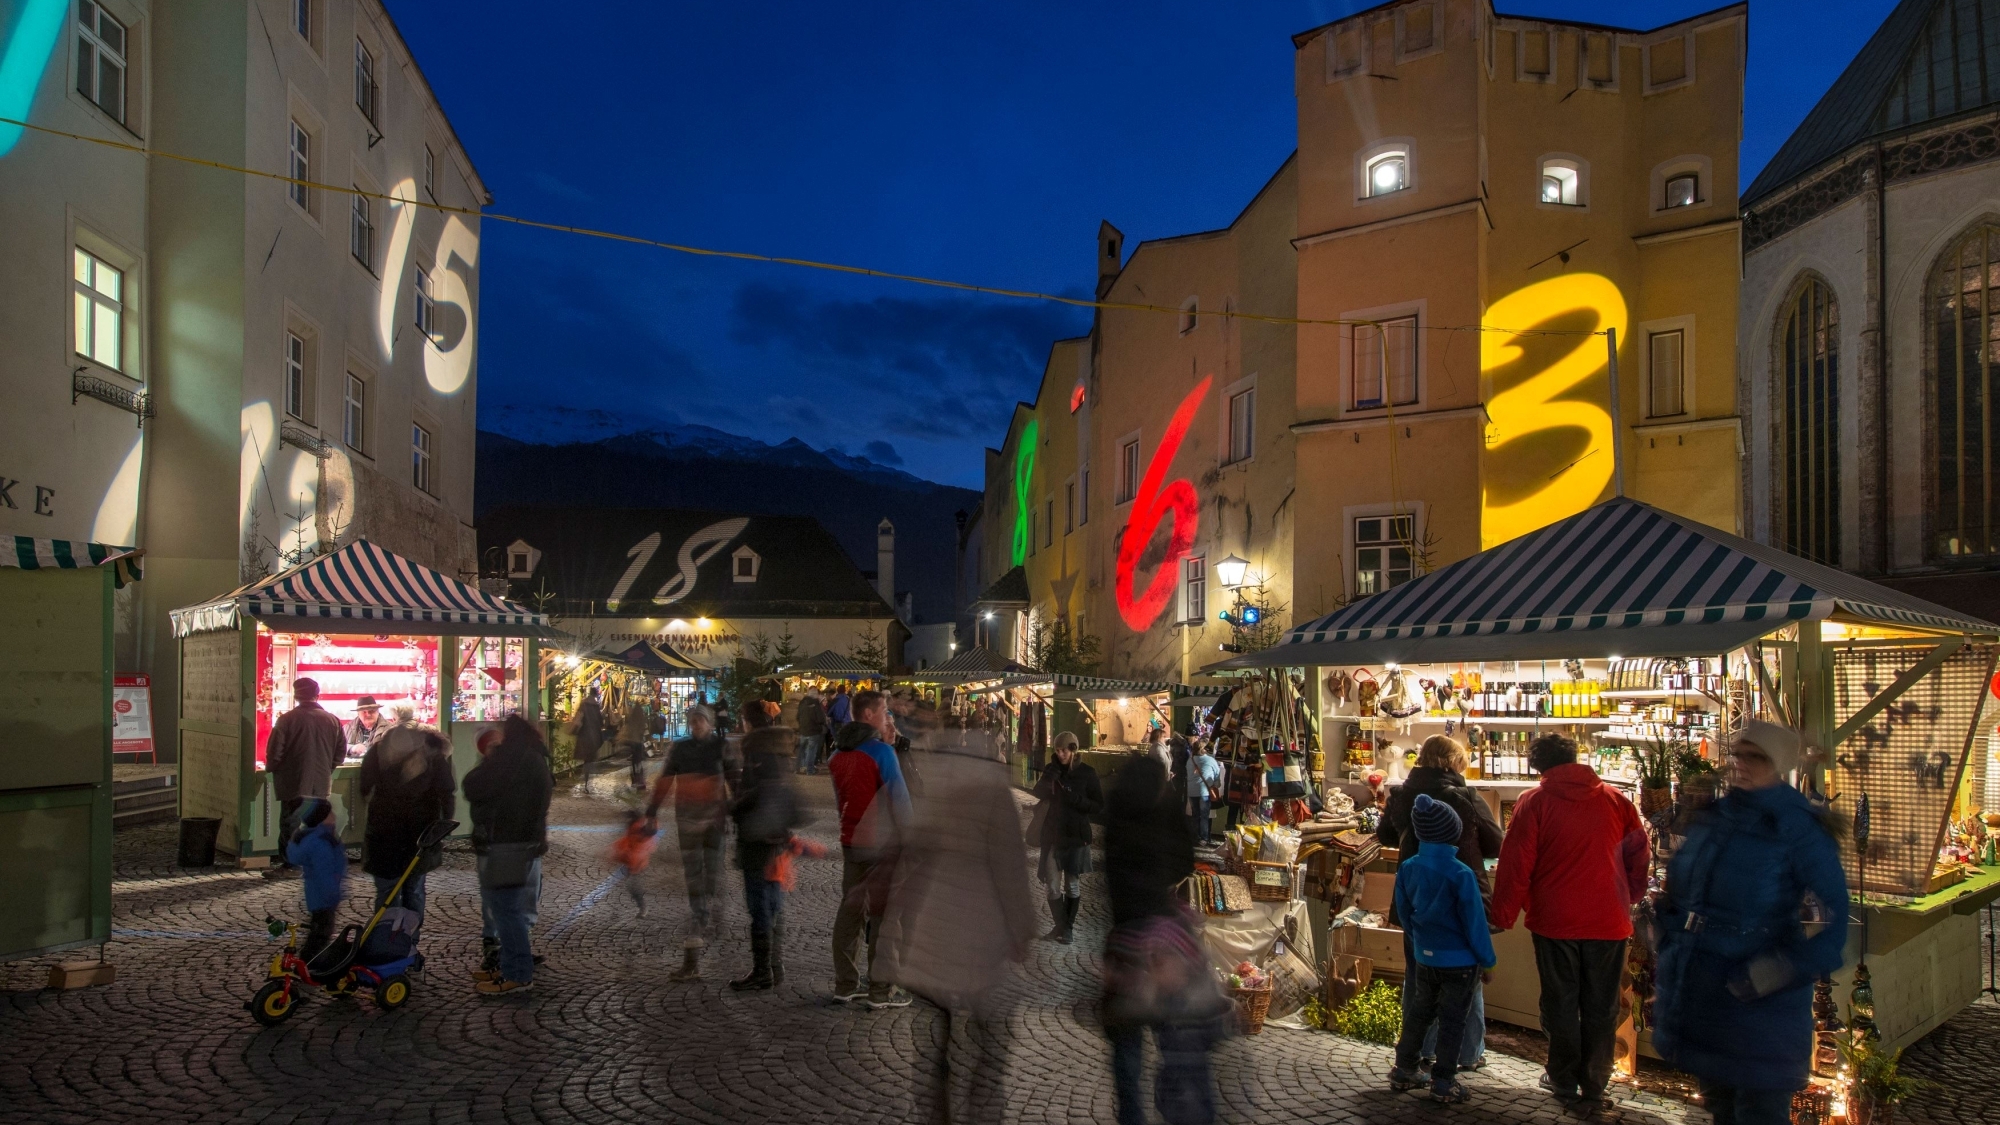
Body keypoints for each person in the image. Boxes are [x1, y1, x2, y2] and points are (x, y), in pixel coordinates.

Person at [1652, 722, 1850, 1125]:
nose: (1741, 763)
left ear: (1777, 764)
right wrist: (1666, 928)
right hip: (1706, 997)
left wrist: (1782, 969)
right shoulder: (1716, 818)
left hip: (1761, 1006)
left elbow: (1836, 922)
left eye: (1754, 756)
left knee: (1759, 1113)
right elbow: (1687, 891)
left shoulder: (1797, 826)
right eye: (1738, 754)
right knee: (1720, 1107)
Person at [876, 705, 1037, 1125]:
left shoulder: (939, 787)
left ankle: (939, 1114)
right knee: (992, 1039)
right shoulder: (992, 792)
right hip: (979, 932)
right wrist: (1022, 929)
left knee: (936, 1045)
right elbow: (1010, 868)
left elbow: (912, 846)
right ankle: (983, 1113)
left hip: (932, 932)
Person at [1490, 732, 1649, 1112]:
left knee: (1560, 1002)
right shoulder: (1615, 800)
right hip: (1608, 920)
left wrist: (1502, 916)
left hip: (1555, 920)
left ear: (1538, 765)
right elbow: (1638, 853)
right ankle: (1595, 1084)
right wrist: (1632, 894)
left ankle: (1562, 1077)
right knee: (1602, 1005)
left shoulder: (1534, 803)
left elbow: (1516, 864)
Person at [1100, 755, 1228, 1125]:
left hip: (1124, 946)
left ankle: (1132, 1117)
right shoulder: (1165, 808)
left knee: (1127, 1053)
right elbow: (1183, 862)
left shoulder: (1117, 815)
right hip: (1164, 945)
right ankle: (1185, 1112)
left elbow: (1112, 878)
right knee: (1179, 1043)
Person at [1379, 735, 1504, 1070]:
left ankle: (1418, 1051)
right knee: (1466, 977)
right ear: (1453, 762)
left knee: (1420, 976)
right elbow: (1495, 843)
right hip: (1460, 897)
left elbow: (1385, 836)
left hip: (1418, 900)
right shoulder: (1464, 797)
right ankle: (1467, 1053)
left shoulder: (1403, 795)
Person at [1388, 794, 1498, 1104]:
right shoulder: (1461, 874)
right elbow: (1474, 924)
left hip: (1425, 955)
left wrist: (1420, 939)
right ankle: (1443, 1081)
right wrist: (1487, 962)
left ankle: (1404, 1068)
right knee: (1452, 1020)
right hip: (1460, 962)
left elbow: (1404, 911)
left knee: (1419, 1012)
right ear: (1453, 832)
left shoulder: (1409, 868)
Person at [827, 689, 914, 1008]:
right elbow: (900, 802)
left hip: (852, 842)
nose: (887, 715)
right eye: (883, 710)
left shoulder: (836, 754)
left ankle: (845, 984)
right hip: (884, 845)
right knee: (885, 917)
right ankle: (881, 990)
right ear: (867, 715)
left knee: (850, 912)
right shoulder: (880, 753)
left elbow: (842, 802)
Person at [647, 703, 738, 982]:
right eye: (693, 720)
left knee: (713, 868)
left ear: (710, 723)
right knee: (692, 871)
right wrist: (651, 811)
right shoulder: (680, 748)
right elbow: (665, 780)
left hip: (714, 820)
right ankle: (700, 911)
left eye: (701, 720)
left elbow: (734, 780)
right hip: (686, 819)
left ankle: (713, 906)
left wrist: (736, 810)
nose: (696, 724)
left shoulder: (721, 746)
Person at [464, 714, 553, 995]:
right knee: (509, 908)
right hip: (521, 842)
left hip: (507, 843)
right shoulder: (534, 759)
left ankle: (517, 973)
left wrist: (492, 758)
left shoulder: (512, 758)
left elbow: (474, 785)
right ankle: (508, 966)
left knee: (506, 910)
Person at [357, 702, 456, 928]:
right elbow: (446, 792)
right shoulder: (431, 758)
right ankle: (409, 941)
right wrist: (443, 825)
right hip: (419, 834)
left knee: (387, 893)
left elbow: (365, 789)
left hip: (383, 833)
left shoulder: (376, 753)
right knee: (414, 889)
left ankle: (385, 942)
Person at [727, 699, 803, 990]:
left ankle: (763, 972)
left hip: (758, 839)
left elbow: (756, 794)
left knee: (759, 906)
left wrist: (732, 806)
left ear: (748, 721)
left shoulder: (757, 752)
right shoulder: (780, 751)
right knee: (773, 903)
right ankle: (775, 965)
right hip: (778, 839)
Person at [265, 678, 346, 878]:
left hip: (293, 782)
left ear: (296, 695)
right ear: (317, 695)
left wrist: (273, 769)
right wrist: (325, 769)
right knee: (317, 824)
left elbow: (274, 752)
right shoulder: (333, 720)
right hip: (320, 784)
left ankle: (291, 866)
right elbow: (340, 754)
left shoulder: (287, 719)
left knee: (290, 824)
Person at [1033, 730, 1103, 944]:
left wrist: (1077, 800)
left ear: (1073, 749)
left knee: (1071, 885)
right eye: (1057, 750)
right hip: (1054, 836)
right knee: (1052, 886)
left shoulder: (1087, 773)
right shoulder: (1052, 769)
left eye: (1063, 750)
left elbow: (1098, 806)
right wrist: (1048, 778)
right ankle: (1060, 926)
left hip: (1076, 837)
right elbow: (1037, 793)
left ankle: (1068, 928)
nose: (1060, 754)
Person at [286, 797, 346, 966]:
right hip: (323, 897)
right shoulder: (322, 843)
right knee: (322, 932)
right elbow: (325, 872)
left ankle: (309, 960)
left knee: (318, 928)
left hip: (316, 895)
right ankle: (310, 963)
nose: (334, 816)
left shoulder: (314, 838)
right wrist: (333, 893)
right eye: (330, 814)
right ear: (321, 819)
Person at [609, 810, 658, 917]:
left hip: (638, 864)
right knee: (631, 884)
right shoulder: (633, 830)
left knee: (631, 885)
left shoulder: (639, 829)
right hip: (633, 862)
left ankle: (643, 908)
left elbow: (649, 833)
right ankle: (642, 908)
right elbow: (628, 842)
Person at [1186, 740, 1223, 845]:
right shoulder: (1211, 760)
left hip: (1192, 791)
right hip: (1205, 792)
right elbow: (1217, 775)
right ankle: (1204, 838)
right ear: (1205, 749)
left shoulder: (1190, 760)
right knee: (1204, 816)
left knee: (1195, 815)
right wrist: (1216, 785)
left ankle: (1195, 837)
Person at [571, 688, 605, 794]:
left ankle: (585, 781)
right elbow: (601, 722)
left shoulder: (583, 704)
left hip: (584, 736)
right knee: (589, 760)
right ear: (595, 694)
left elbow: (578, 718)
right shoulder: (596, 706)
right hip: (593, 737)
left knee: (586, 759)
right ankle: (586, 781)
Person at [618, 696, 649, 789]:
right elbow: (643, 729)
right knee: (638, 761)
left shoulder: (632, 717)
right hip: (638, 742)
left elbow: (628, 728)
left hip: (632, 742)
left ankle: (635, 779)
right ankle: (639, 780)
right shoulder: (641, 717)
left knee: (634, 762)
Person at [795, 689, 828, 774]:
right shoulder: (816, 704)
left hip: (803, 730)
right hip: (814, 731)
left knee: (802, 750)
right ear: (815, 695)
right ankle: (809, 770)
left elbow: (797, 717)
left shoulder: (802, 703)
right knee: (811, 751)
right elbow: (820, 718)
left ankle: (801, 768)